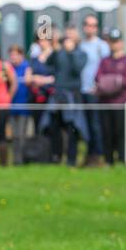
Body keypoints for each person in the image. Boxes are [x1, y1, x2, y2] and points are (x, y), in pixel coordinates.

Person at [44, 25, 88, 166]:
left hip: (72, 96)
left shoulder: (81, 53)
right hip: (58, 95)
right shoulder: (59, 52)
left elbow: (77, 69)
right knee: (55, 127)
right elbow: (48, 63)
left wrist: (71, 52)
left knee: (72, 128)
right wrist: (54, 47)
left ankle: (71, 159)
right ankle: (56, 157)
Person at [95, 29, 126, 165]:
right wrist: (116, 81)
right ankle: (108, 161)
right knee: (107, 134)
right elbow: (98, 78)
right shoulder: (105, 61)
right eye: (112, 41)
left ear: (121, 42)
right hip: (105, 103)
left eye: (117, 41)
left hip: (121, 104)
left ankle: (123, 161)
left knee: (121, 134)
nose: (115, 44)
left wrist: (108, 82)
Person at [78, 13, 110, 165]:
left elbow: (107, 67)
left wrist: (99, 86)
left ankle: (98, 155)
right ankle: (88, 155)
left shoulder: (101, 46)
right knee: (84, 125)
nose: (90, 28)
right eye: (88, 25)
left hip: (95, 92)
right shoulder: (81, 45)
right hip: (81, 91)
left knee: (96, 124)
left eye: (93, 25)